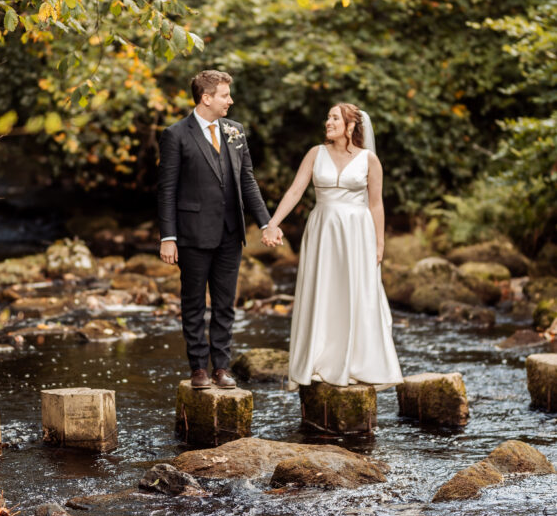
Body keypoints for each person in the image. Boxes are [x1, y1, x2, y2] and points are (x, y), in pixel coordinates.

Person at [262, 103, 403, 391]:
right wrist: (272, 223)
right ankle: (317, 362)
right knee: (323, 291)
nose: (328, 122)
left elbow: (376, 204)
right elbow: (296, 190)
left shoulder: (369, 160)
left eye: (335, 118)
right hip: (323, 230)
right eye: (327, 117)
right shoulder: (316, 153)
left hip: (357, 233)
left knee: (353, 293)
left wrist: (380, 243)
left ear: (351, 126)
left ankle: (354, 363)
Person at [158, 70, 282, 389]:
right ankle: (199, 368)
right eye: (225, 95)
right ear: (207, 98)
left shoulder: (235, 131)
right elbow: (167, 189)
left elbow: (248, 181)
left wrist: (266, 222)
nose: (231, 100)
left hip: (230, 231)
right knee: (194, 303)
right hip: (192, 233)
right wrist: (168, 237)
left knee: (226, 302)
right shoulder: (176, 135)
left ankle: (222, 368)